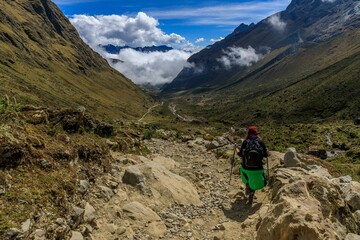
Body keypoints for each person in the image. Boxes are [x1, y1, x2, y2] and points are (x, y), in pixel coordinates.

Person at [235, 126, 269, 205]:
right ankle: (252, 192)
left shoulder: (245, 142)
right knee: (257, 177)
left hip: (246, 168)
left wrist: (235, 149)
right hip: (258, 168)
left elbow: (240, 154)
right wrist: (267, 150)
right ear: (256, 133)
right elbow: (266, 155)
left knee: (246, 174)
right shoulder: (260, 142)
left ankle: (248, 186)